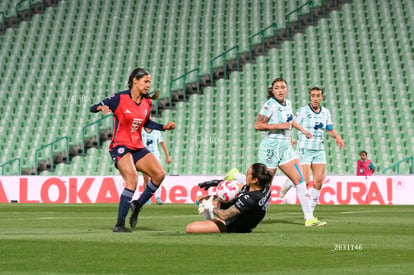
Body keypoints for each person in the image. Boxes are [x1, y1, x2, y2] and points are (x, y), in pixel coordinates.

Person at [90, 68, 176, 232]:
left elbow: (146, 123)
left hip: (137, 146)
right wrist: (101, 108)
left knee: (159, 174)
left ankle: (137, 204)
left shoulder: (146, 102)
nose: (148, 85)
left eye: (149, 82)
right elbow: (93, 107)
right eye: (145, 81)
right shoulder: (119, 98)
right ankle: (119, 224)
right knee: (132, 179)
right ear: (134, 81)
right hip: (120, 146)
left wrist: (163, 127)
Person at [254, 78, 325, 226]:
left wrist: (302, 130)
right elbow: (258, 125)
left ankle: (309, 218)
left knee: (300, 181)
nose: (280, 90)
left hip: (285, 147)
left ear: (286, 89)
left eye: (282, 87)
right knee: (264, 185)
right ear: (272, 91)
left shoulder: (288, 103)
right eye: (276, 88)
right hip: (271, 148)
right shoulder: (269, 105)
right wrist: (279, 125)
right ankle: (236, 177)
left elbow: (291, 121)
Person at [279, 87, 345, 216]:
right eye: (313, 96)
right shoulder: (303, 111)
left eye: (318, 96)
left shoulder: (326, 112)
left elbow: (329, 129)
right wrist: (290, 138)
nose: (315, 98)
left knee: (318, 181)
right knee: (306, 181)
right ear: (310, 97)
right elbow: (291, 124)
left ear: (321, 97)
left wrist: (337, 136)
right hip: (304, 148)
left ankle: (310, 212)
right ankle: (290, 181)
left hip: (319, 149)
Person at [186, 163, 272, 233]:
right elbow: (242, 187)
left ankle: (212, 220)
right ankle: (211, 220)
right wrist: (216, 182)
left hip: (234, 224)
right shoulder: (264, 186)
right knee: (201, 199)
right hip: (239, 211)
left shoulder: (251, 199)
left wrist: (210, 207)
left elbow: (225, 215)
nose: (245, 175)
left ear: (255, 180)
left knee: (191, 228)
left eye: (248, 173)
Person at [141, 124, 172, 204]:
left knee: (158, 176)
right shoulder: (140, 130)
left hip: (155, 157)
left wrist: (167, 156)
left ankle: (158, 197)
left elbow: (162, 143)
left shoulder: (156, 131)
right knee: (146, 178)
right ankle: (147, 198)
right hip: (144, 156)